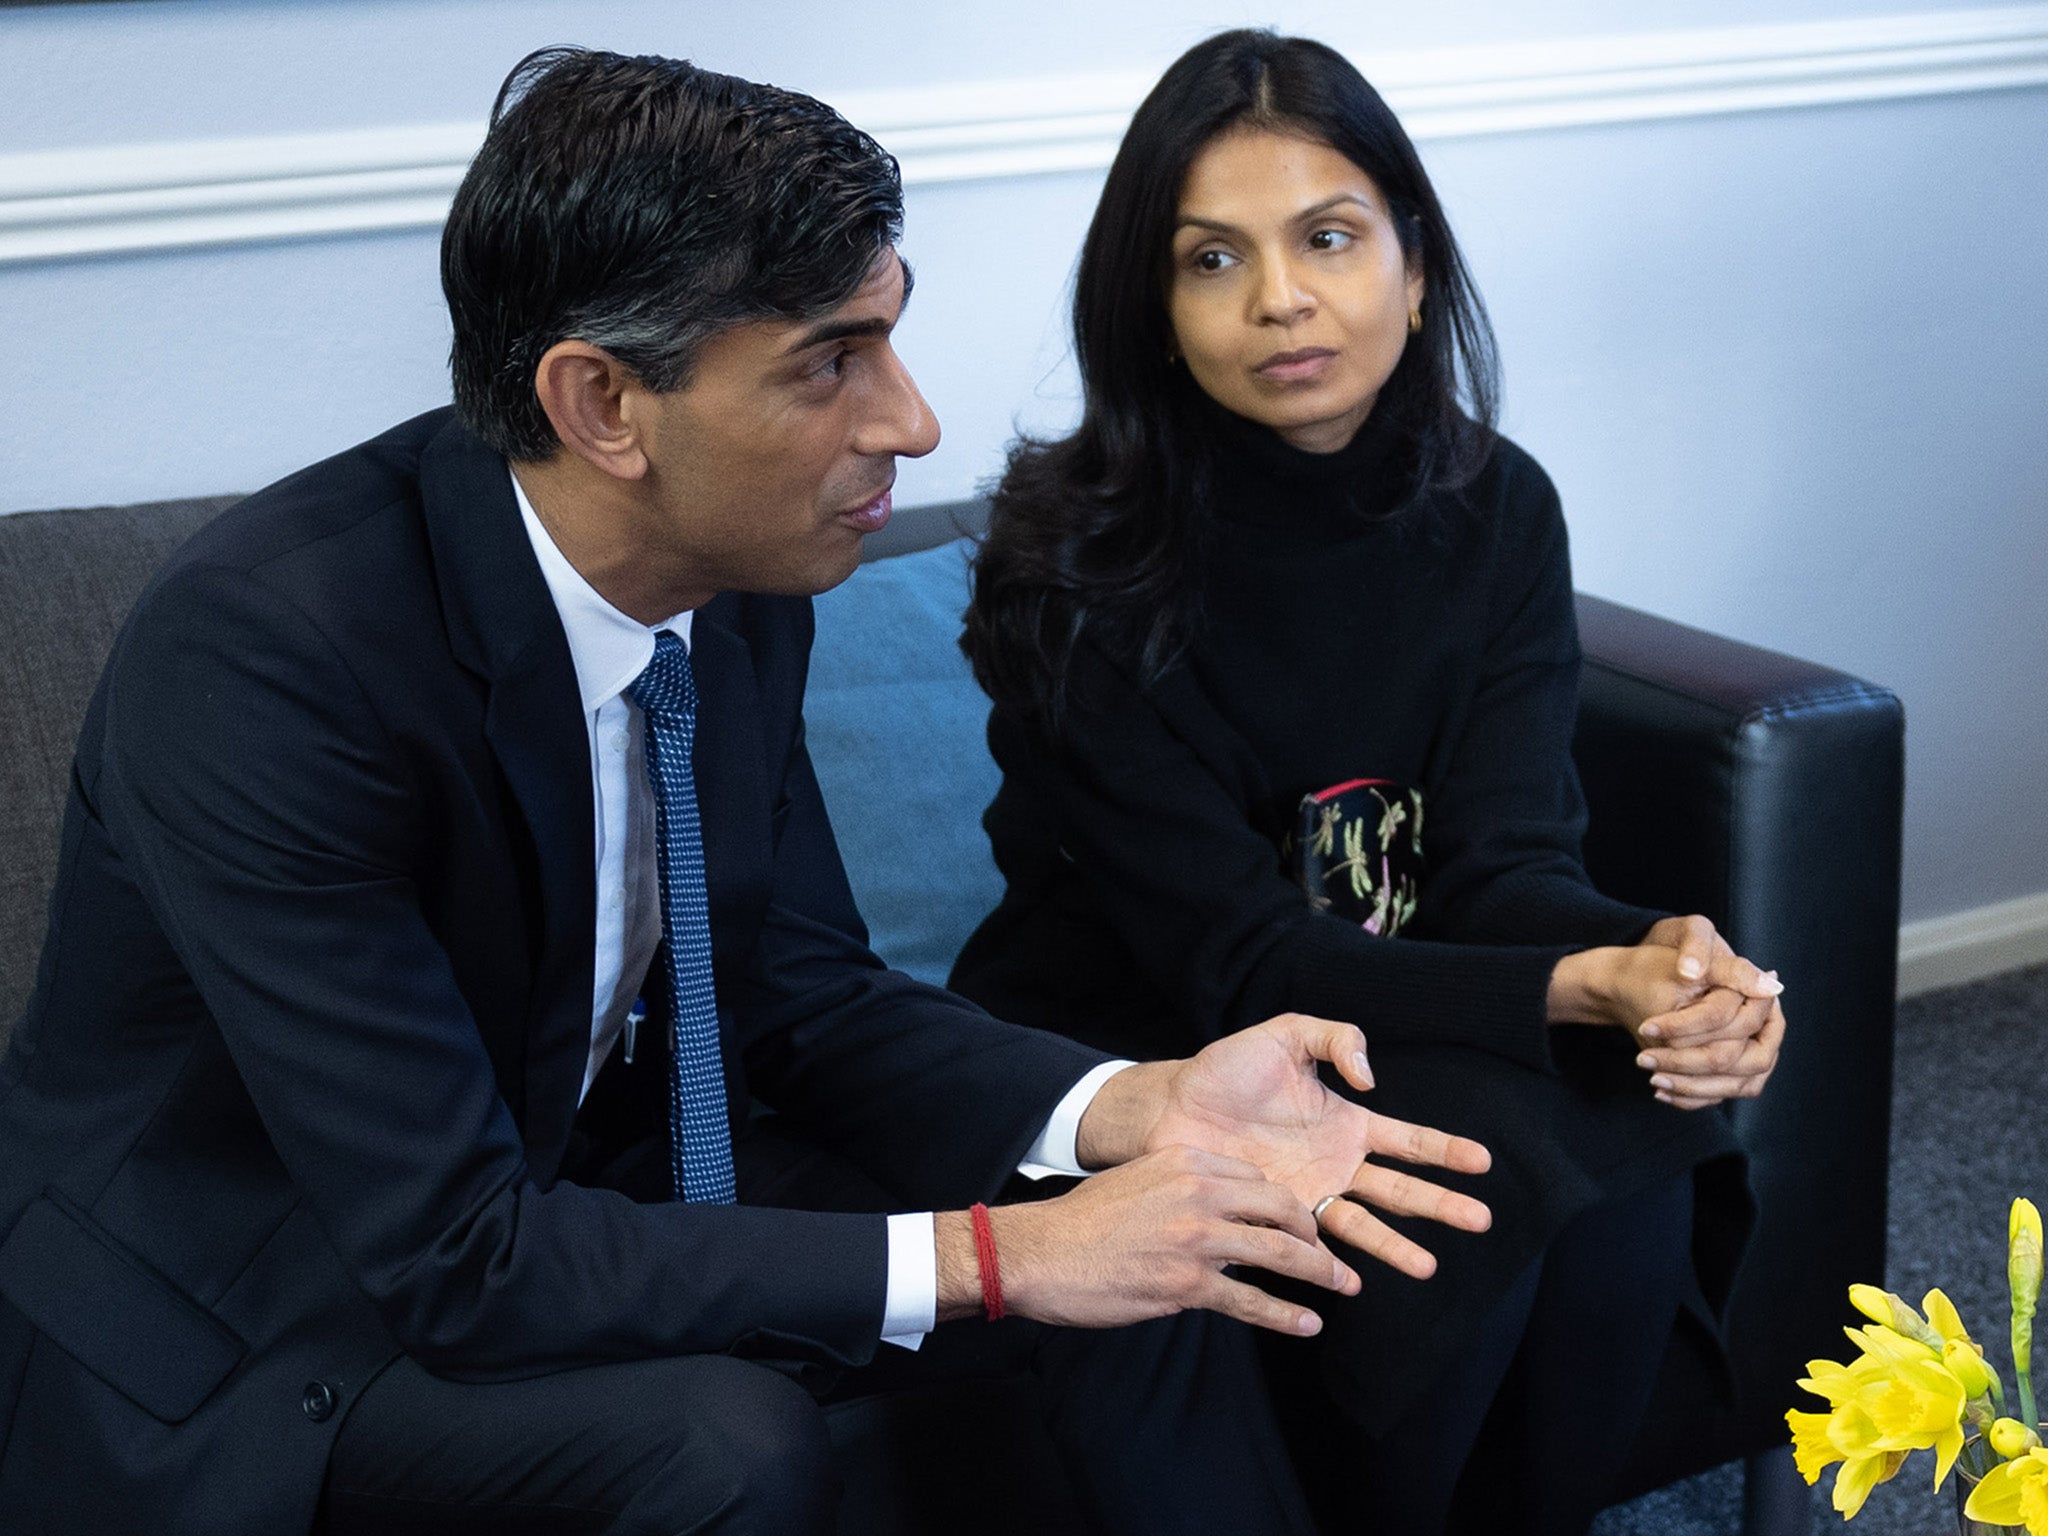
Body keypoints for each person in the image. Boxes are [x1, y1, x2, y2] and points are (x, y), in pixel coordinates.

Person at [0, 47, 1498, 1536]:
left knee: (1160, 1262)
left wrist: (1135, 1109)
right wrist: (998, 1258)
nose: (910, 423)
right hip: (269, 1289)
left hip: (576, 1174)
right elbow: (460, 1254)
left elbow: (804, 994)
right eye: (827, 362)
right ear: (603, 406)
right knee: (726, 1444)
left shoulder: (739, 571)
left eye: (890, 341)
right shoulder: (271, 660)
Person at [952, 30, 1787, 1536]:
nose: (1279, 297)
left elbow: (1501, 861)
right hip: (1143, 1042)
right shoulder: (1074, 561)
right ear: (1152, 306)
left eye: (1328, 237)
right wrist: (1568, 988)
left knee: (1628, 1100)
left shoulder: (1495, 509)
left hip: (1381, 1003)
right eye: (1213, 259)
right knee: (1495, 1157)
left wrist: (1656, 964)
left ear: (1413, 264)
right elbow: (1241, 958)